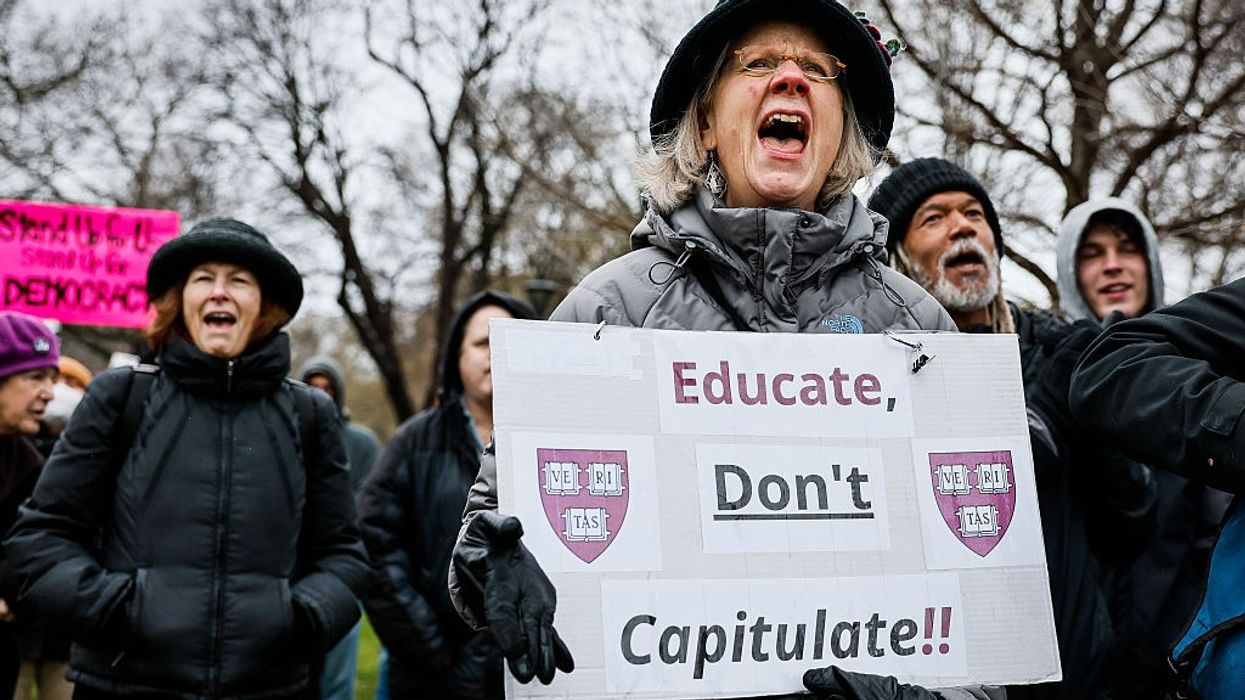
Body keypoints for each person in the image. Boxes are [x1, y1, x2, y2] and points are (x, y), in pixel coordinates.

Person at [448, 1, 970, 697]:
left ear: (840, 128)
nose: (791, 79)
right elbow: (489, 531)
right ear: (703, 123)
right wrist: (489, 568)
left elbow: (976, 603)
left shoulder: (919, 330)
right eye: (758, 64)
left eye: (817, 69)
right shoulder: (607, 313)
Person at [5, 218, 370, 699]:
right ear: (180, 300)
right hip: (124, 685)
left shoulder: (309, 415)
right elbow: (40, 540)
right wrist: (118, 610)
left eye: (239, 280)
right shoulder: (120, 398)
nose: (220, 293)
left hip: (268, 689)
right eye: (203, 279)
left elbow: (344, 556)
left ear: (264, 306)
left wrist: (299, 618)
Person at [867, 158, 1157, 699]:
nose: (963, 228)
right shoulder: (874, 373)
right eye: (934, 219)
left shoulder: (1061, 355)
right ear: (896, 259)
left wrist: (1096, 424)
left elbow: (1129, 533)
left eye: (975, 215)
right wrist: (1042, 422)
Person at [1056, 198, 1227, 698]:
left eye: (1127, 249)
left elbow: (1215, 539)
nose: (1112, 263)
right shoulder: (1043, 384)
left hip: (1182, 673)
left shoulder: (1203, 387)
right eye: (1092, 253)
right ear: (1070, 272)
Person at [358, 291, 535, 700]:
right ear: (457, 358)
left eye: (506, 338)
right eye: (481, 343)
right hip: (434, 677)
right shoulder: (414, 442)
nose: (494, 353)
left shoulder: (563, 436)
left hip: (541, 671)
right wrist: (431, 649)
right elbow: (375, 546)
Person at [297, 356, 381, 700]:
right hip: (295, 571)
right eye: (313, 388)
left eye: (328, 388)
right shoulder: (288, 436)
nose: (321, 395)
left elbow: (365, 505)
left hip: (341, 571)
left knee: (336, 679)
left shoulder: (361, 443)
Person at [0, 313, 60, 699]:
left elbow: (28, 548)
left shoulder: (30, 465)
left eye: (52, 379)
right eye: (36, 377)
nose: (51, 393)